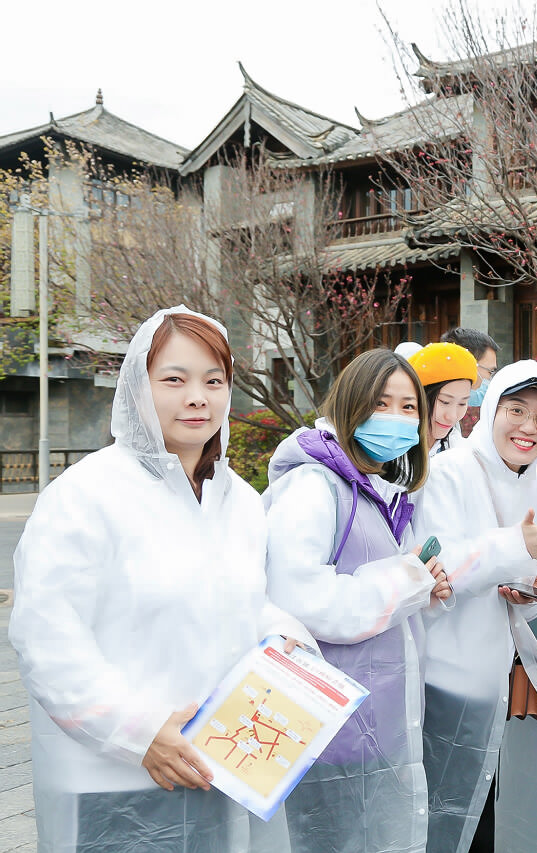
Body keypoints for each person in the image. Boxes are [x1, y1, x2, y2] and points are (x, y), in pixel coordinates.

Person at [10, 306, 312, 853]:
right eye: (174, 379)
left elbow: (241, 601)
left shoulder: (238, 501)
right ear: (137, 388)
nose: (197, 397)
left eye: (213, 381)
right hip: (115, 777)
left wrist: (288, 641)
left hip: (220, 767)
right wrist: (140, 730)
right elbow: (47, 637)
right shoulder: (87, 495)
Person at [263, 348, 449, 853]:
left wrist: (423, 589)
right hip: (327, 721)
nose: (397, 418)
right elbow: (301, 599)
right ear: (350, 406)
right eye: (381, 403)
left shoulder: (374, 488)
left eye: (409, 407)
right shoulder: (313, 485)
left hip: (371, 716)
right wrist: (408, 578)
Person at [414, 360, 537, 853]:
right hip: (438, 679)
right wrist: (512, 551)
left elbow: (528, 589)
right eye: (517, 409)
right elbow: (435, 568)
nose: (530, 427)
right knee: (433, 817)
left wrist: (528, 595)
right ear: (489, 410)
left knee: (477, 814)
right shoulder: (446, 473)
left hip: (492, 681)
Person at [407, 342, 479, 456]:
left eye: (462, 403)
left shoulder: (462, 455)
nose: (452, 416)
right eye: (445, 402)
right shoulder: (388, 453)